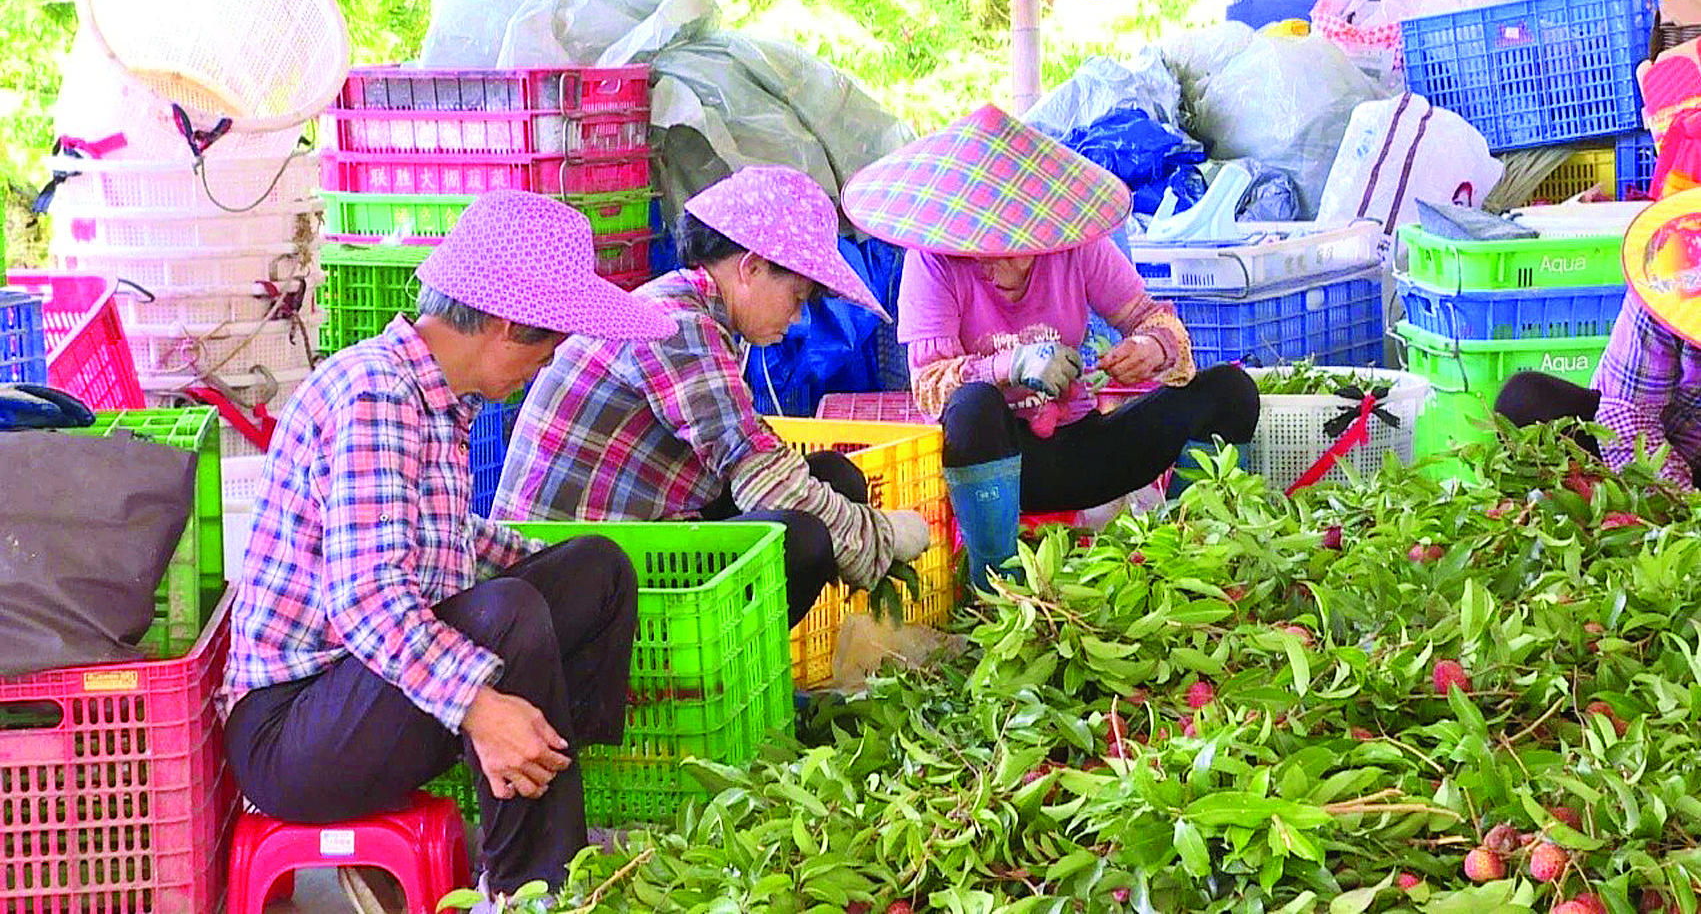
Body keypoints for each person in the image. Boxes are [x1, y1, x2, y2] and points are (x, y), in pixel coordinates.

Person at [220, 190, 677, 897]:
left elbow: (450, 541)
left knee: (596, 570)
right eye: (546, 346)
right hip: (292, 734)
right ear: (502, 325)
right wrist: (478, 706)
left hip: (362, 692)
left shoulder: (436, 399)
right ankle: (532, 884)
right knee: (509, 613)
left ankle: (546, 784)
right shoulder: (377, 393)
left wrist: (553, 578)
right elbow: (368, 599)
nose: (545, 367)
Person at [841, 104, 1261, 590]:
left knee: (1230, 391)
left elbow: (1153, 319)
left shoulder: (1075, 246)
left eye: (1005, 249)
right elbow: (932, 387)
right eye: (974, 246)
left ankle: (1191, 554)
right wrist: (1010, 365)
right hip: (995, 461)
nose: (986, 262)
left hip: (1080, 445)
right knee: (972, 406)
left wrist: (1152, 347)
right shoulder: (933, 263)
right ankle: (997, 588)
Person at [492, 166, 932, 626]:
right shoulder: (675, 325)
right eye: (796, 297)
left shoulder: (696, 313)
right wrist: (879, 537)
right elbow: (763, 479)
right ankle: (719, 685)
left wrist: (863, 532)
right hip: (569, 584)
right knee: (804, 540)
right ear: (752, 269)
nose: (799, 319)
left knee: (831, 477)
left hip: (625, 546)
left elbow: (757, 456)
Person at [1494, 189, 1701, 485]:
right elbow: (1628, 416)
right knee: (1524, 401)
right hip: (1628, 445)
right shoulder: (1668, 278)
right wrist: (1681, 502)